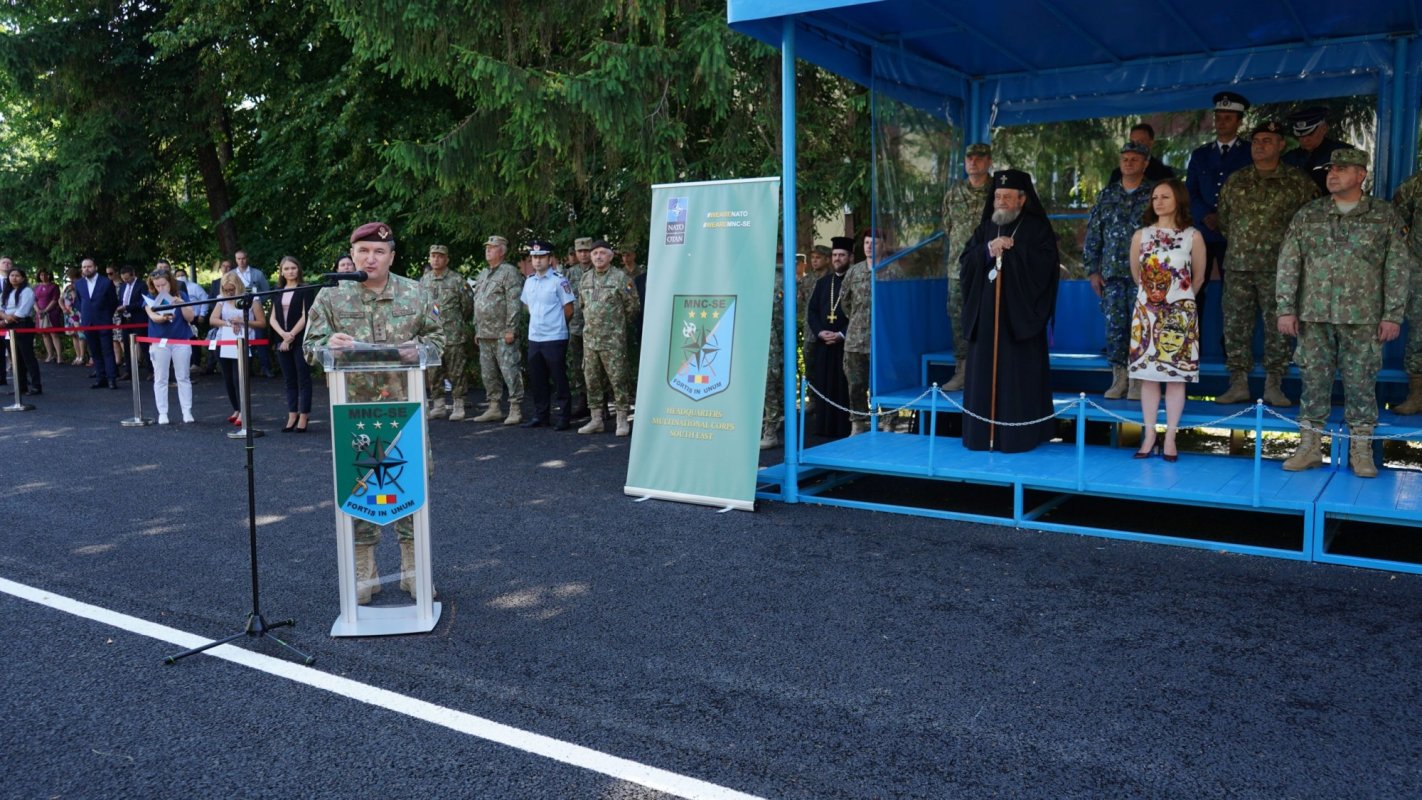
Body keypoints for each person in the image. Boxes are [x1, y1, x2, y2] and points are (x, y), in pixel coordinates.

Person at [304, 221, 445, 602]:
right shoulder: (332, 298)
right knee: (359, 487)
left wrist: (419, 348)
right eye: (364, 251)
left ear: (392, 256)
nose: (371, 257)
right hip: (355, 415)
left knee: (411, 486)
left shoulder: (416, 294)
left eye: (379, 252)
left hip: (405, 412)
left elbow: (439, 341)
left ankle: (414, 573)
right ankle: (364, 576)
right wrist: (327, 343)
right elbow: (310, 345)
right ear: (352, 255)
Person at [1276, 148, 1411, 478]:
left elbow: (1397, 268)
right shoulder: (1308, 215)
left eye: (1342, 168)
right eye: (1330, 168)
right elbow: (1289, 263)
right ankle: (1308, 447)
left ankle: (1361, 450)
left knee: (1362, 383)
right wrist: (1285, 309)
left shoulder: (1383, 216)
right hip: (1314, 315)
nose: (1332, 174)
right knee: (1313, 382)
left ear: (1361, 175)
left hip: (1363, 317)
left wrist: (1393, 314)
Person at [1214, 120, 1320, 406]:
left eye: (1268, 140)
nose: (1260, 145)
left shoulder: (1298, 182)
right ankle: (1238, 383)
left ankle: (1275, 384)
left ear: (1282, 145)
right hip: (1238, 266)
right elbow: (1224, 221)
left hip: (1279, 270)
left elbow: (1310, 223)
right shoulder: (1236, 180)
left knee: (1278, 329)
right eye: (1257, 140)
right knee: (1235, 326)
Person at [958, 169, 1061, 452]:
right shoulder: (986, 228)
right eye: (997, 196)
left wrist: (1015, 254)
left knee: (1017, 378)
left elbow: (1047, 267)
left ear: (1022, 199)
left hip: (1019, 320)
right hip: (987, 317)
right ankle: (981, 435)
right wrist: (989, 250)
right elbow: (965, 262)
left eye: (1007, 197)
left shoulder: (1037, 228)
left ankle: (1018, 437)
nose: (1000, 201)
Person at [1128, 179, 1207, 461]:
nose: (1158, 202)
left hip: (1180, 315)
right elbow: (1137, 274)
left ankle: (1171, 436)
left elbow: (1198, 277)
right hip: (1146, 312)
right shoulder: (1141, 235)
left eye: (1165, 196)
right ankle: (1149, 434)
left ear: (1179, 200)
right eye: (1155, 197)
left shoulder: (1192, 236)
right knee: (1148, 378)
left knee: (1176, 379)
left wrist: (1179, 303)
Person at [1084, 141, 1156, 399]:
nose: (1128, 163)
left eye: (1135, 159)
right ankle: (1119, 377)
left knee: (1142, 326)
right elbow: (1094, 234)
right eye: (1125, 158)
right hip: (1112, 274)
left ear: (1145, 163)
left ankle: (1138, 379)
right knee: (1115, 328)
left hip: (1145, 275)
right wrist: (1093, 269)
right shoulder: (1107, 195)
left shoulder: (1154, 195)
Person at [1186, 91, 1253, 331]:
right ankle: (1192, 347)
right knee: (1193, 291)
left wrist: (1224, 218)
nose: (1221, 122)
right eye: (1218, 117)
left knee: (1234, 295)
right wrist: (1206, 215)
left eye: (1227, 118)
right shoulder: (1200, 154)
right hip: (1202, 233)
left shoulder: (1250, 153)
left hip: (1234, 234)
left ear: (1239, 121)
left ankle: (1230, 350)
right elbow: (1190, 192)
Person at [942, 143, 994, 392]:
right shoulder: (953, 193)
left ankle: (989, 369)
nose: (973, 162)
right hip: (958, 269)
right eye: (969, 158)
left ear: (989, 161)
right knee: (957, 317)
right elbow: (947, 227)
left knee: (990, 317)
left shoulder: (997, 192)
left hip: (991, 268)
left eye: (979, 158)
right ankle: (962, 370)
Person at [578, 240, 641, 436]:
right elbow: (583, 306)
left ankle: (622, 420)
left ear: (611, 256)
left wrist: (617, 326)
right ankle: (596, 419)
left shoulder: (621, 278)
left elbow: (633, 306)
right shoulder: (585, 279)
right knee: (592, 380)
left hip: (613, 341)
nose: (597, 256)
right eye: (595, 253)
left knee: (618, 380)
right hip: (590, 340)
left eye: (602, 253)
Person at [519, 239, 576, 430]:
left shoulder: (559, 281)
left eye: (541, 257)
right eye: (534, 257)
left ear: (550, 258)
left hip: (555, 337)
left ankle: (563, 417)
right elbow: (528, 307)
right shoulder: (529, 281)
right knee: (538, 379)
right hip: (535, 337)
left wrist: (557, 325)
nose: (537, 261)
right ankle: (541, 415)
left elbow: (569, 309)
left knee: (559, 378)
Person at [470, 235, 527, 425]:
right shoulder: (483, 274)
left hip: (503, 333)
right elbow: (477, 303)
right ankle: (494, 407)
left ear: (501, 251)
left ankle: (515, 408)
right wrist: (477, 328)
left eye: (492, 247)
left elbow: (514, 303)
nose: (488, 250)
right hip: (485, 333)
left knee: (510, 371)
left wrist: (511, 328)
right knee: (488, 373)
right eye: (487, 247)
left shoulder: (509, 272)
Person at [839, 231, 888, 434]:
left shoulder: (891, 270)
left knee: (885, 382)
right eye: (867, 242)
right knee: (856, 384)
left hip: (883, 340)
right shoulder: (854, 272)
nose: (869, 247)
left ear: (882, 245)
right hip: (856, 340)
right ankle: (858, 422)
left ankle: (889, 421)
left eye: (874, 243)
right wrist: (859, 321)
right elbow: (845, 302)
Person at [805, 237, 854, 438]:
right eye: (834, 255)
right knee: (822, 384)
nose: (837, 259)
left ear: (850, 258)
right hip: (823, 343)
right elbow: (812, 311)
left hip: (845, 344)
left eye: (841, 255)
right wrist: (819, 332)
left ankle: (844, 428)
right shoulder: (823, 283)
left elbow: (859, 313)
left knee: (842, 386)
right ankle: (823, 428)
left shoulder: (853, 280)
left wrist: (842, 334)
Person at [420, 244, 474, 420]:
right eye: (433, 256)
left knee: (456, 370)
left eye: (440, 256)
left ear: (447, 259)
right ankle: (439, 405)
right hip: (432, 336)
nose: (436, 259)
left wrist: (455, 322)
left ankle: (458, 405)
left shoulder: (457, 280)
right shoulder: (424, 281)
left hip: (453, 335)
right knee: (433, 371)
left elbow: (467, 306)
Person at [209, 271, 267, 427]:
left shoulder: (251, 299)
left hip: (243, 342)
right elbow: (213, 319)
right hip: (224, 340)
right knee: (228, 378)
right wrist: (228, 323)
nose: (229, 293)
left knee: (238, 378)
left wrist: (242, 321)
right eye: (226, 290)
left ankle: (244, 410)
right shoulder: (221, 299)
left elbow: (262, 322)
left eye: (231, 290)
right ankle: (236, 408)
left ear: (238, 286)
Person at [143, 267, 197, 424]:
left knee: (183, 376)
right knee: (161, 377)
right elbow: (153, 316)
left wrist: (181, 304)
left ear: (170, 283)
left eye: (163, 285)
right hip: (159, 342)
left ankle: (187, 411)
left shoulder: (182, 294)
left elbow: (190, 317)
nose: (161, 288)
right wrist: (163, 317)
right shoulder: (149, 297)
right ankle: (162, 413)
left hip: (181, 340)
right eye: (157, 285)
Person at [1389, 169, 1422, 414]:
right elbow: (1398, 222)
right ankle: (1417, 394)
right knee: (1420, 333)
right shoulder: (1415, 184)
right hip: (1420, 268)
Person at [269, 256, 314, 433]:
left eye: (293, 268)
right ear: (281, 271)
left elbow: (306, 315)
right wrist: (283, 336)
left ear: (298, 270)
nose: (290, 271)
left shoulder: (305, 288)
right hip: (282, 339)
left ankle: (304, 415)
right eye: (286, 269)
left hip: (300, 338)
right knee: (289, 379)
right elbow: (272, 317)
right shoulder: (277, 290)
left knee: (303, 377)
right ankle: (292, 414)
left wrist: (291, 336)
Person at [1283, 107, 1352, 194]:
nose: (1305, 140)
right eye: (1300, 135)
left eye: (1310, 134)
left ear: (1324, 129)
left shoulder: (1343, 153)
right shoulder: (1289, 158)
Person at [74, 257, 118, 389]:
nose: (87, 269)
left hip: (104, 321)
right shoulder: (79, 284)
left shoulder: (106, 282)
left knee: (107, 351)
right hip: (88, 322)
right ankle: (101, 378)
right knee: (95, 352)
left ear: (95, 267)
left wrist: (106, 315)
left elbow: (113, 302)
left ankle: (111, 379)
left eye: (89, 266)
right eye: (84, 267)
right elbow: (79, 302)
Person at [232, 249, 276, 377]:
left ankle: (265, 367)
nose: (241, 261)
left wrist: (257, 303)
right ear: (235, 260)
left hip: (256, 310)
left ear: (247, 258)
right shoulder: (231, 274)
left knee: (260, 337)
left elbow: (266, 291)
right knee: (242, 339)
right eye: (238, 259)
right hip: (237, 311)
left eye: (243, 258)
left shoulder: (257, 274)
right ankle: (246, 369)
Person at [1, 266, 42, 396]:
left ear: (23, 278)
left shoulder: (27, 291)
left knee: (27, 356)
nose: (14, 278)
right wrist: (5, 318)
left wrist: (6, 320)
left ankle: (36, 385)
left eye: (17, 275)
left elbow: (23, 311)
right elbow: (1, 309)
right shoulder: (5, 293)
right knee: (15, 357)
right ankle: (21, 386)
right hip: (8, 327)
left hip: (23, 325)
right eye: (12, 275)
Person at [565, 237, 592, 419]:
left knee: (597, 367)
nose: (583, 254)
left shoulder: (599, 271)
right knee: (578, 367)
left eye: (586, 251)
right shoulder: (569, 274)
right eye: (579, 251)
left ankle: (602, 403)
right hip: (575, 327)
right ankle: (583, 401)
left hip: (596, 329)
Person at [1108, 123, 1177, 184]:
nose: (1135, 145)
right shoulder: (1117, 173)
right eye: (1132, 142)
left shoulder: (1164, 173)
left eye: (1140, 142)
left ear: (1151, 143)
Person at [114, 265, 146, 380]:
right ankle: (129, 371)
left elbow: (143, 302)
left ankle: (151, 371)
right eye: (123, 279)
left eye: (127, 278)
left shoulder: (142, 285)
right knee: (127, 346)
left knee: (144, 345)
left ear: (133, 274)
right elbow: (120, 300)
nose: (125, 281)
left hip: (139, 319)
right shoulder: (123, 287)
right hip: (126, 320)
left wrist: (127, 307)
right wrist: (119, 307)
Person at [32, 268, 63, 363]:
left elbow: (55, 300)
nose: (44, 276)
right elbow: (33, 300)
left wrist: (45, 310)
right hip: (39, 313)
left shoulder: (54, 286)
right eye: (41, 275)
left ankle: (59, 356)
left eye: (46, 274)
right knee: (44, 334)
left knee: (54, 334)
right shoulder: (36, 287)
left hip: (51, 313)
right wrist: (38, 310)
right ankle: (50, 355)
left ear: (50, 275)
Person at [60, 266, 87, 367]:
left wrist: (71, 309)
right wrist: (64, 308)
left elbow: (77, 299)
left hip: (77, 313)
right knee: (73, 335)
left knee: (80, 335)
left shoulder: (80, 284)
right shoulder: (67, 286)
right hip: (68, 314)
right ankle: (77, 355)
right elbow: (60, 299)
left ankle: (82, 357)